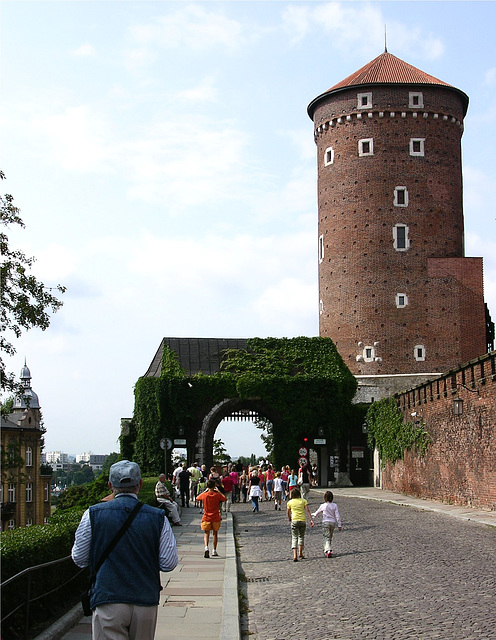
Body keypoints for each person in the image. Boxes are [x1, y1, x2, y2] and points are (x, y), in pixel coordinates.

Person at [71, 460, 178, 640]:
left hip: (108, 597)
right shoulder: (158, 517)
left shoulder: (93, 514)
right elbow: (168, 563)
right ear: (140, 484)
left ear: (110, 485)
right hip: (145, 599)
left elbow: (79, 558)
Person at [196, 479, 226, 558]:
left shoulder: (205, 495)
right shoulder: (217, 495)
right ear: (215, 486)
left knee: (206, 533)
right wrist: (218, 491)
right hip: (215, 516)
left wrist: (205, 491)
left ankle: (206, 547)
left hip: (206, 517)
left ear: (207, 486)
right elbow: (224, 498)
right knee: (215, 533)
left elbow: (197, 498)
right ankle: (214, 550)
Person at [311, 491, 342, 558]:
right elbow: (337, 516)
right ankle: (328, 549)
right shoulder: (334, 505)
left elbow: (317, 512)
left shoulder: (323, 505)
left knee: (326, 537)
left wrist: (312, 516)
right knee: (330, 537)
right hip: (332, 523)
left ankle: (328, 550)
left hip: (325, 522)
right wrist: (339, 525)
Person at [287, 487, 314, 561]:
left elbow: (288, 511)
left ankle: (295, 555)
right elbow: (307, 510)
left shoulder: (290, 502)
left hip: (294, 520)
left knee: (294, 537)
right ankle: (300, 553)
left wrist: (289, 518)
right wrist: (311, 520)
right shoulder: (304, 501)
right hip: (302, 520)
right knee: (301, 536)